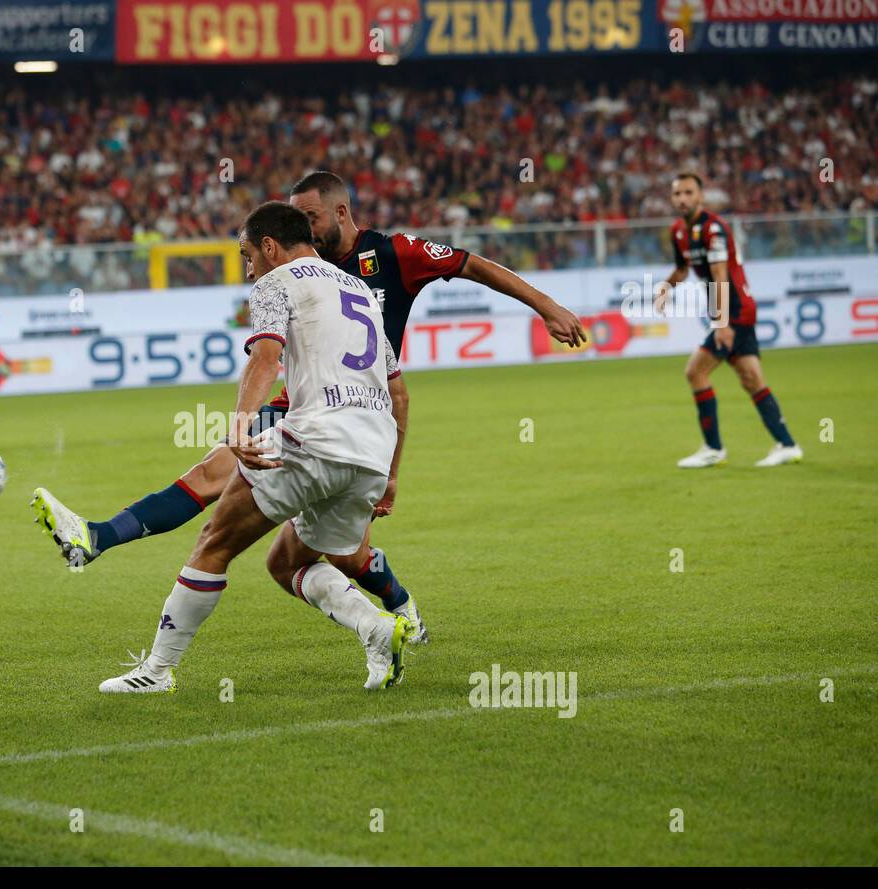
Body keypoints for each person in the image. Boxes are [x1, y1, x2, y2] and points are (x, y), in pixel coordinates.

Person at [33, 171, 586, 644]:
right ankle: (97, 537)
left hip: (360, 412)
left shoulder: (394, 253)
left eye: (310, 215)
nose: (302, 226)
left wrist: (546, 306)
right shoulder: (301, 270)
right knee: (211, 476)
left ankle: (402, 610)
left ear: (341, 213)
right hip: (300, 407)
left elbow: (473, 266)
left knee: (340, 558)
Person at [99, 202, 409, 693]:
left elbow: (265, 358)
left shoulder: (276, 282)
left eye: (247, 254)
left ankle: (156, 672)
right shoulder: (360, 290)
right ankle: (378, 627)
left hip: (316, 439)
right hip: (370, 452)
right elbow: (399, 393)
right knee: (287, 563)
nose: (248, 268)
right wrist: (390, 474)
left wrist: (242, 426)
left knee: (213, 543)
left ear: (269, 246)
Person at [657, 173, 802, 468]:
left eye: (688, 192)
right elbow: (683, 268)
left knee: (695, 371)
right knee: (751, 378)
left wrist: (722, 323)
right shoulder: (678, 232)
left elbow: (721, 274)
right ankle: (787, 444)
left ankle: (713, 448)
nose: (682, 199)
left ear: (701, 196)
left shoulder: (714, 229)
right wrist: (666, 287)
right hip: (732, 312)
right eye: (677, 194)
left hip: (735, 311)